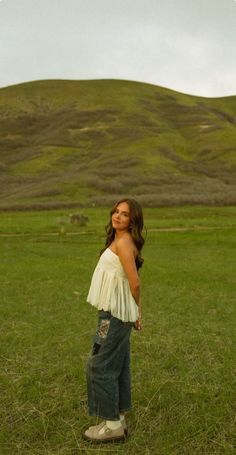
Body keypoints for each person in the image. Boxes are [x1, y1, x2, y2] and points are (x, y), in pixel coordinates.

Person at [84, 197, 145, 443]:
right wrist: (136, 313)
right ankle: (117, 419)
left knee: (98, 365)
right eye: (116, 211)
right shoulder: (119, 240)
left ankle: (111, 425)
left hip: (114, 317)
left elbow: (135, 282)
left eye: (125, 214)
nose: (118, 216)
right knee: (118, 365)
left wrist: (137, 312)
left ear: (133, 220)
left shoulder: (124, 243)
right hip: (115, 314)